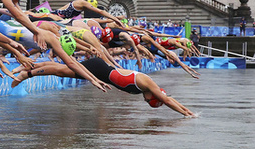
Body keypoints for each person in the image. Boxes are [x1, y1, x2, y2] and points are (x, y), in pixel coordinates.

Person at [12, 57, 196, 117]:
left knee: (60, 70)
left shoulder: (146, 87)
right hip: (99, 69)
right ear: (154, 97)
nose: (147, 102)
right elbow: (168, 100)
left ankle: (27, 68)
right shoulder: (148, 84)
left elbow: (168, 99)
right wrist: (188, 114)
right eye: (151, 103)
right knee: (60, 70)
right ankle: (25, 73)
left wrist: (188, 111)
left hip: (101, 70)